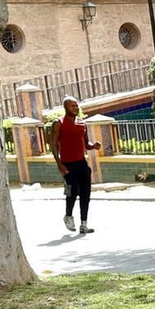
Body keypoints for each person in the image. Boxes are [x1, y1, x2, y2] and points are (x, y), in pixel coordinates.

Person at [54, 97, 97, 235]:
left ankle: (84, 224)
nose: (75, 108)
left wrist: (93, 146)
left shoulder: (82, 124)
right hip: (67, 164)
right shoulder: (59, 123)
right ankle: (68, 216)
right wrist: (59, 164)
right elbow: (53, 145)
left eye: (76, 105)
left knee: (85, 193)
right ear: (66, 108)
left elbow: (86, 144)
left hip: (82, 163)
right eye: (72, 106)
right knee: (72, 191)